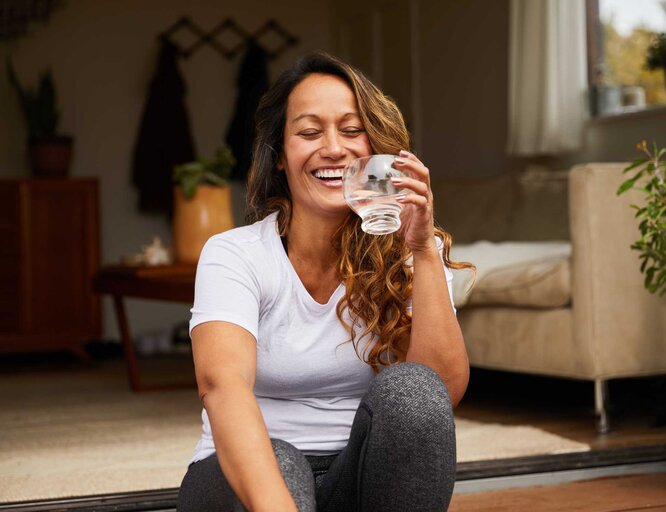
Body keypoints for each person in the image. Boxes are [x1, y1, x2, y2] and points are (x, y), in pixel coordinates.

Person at [177, 52, 472, 512]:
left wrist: (422, 251)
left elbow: (441, 391)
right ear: (279, 156)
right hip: (245, 484)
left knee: (414, 390)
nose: (333, 148)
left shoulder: (411, 248)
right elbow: (223, 387)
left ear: (375, 147)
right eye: (310, 132)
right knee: (282, 462)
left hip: (354, 481)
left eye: (352, 130)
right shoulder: (234, 254)